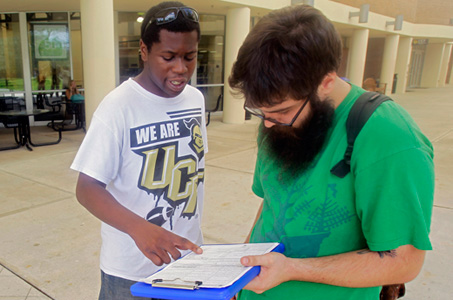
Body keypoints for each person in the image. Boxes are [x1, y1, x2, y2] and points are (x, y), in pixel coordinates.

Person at [228, 4, 434, 300]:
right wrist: (238, 276)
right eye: (260, 112)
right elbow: (273, 204)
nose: (269, 124)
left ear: (326, 81)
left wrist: (292, 269)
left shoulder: (391, 139)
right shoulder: (276, 121)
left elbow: (403, 261)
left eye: (281, 111)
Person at [71, 2, 207, 299]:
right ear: (144, 51)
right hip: (131, 272)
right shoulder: (118, 106)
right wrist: (140, 229)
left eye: (190, 56)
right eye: (168, 57)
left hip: (187, 261)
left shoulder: (195, 100)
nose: (181, 68)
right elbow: (87, 188)